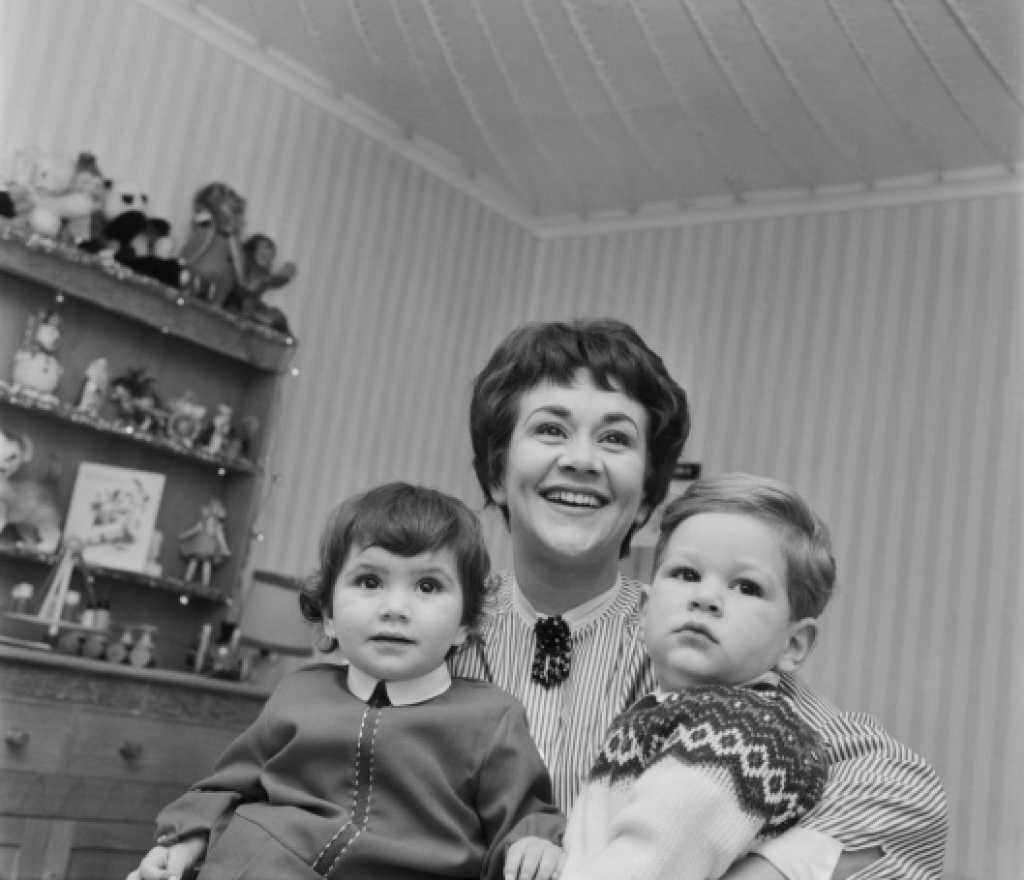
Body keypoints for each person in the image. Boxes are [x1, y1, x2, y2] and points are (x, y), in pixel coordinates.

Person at [452, 318, 946, 880]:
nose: (583, 460)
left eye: (615, 438)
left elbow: (905, 794)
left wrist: (768, 869)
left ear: (644, 497)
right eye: (551, 430)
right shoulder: (430, 624)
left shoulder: (694, 634)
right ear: (496, 473)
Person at [128, 482, 563, 880]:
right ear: (329, 615)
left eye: (428, 586)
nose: (395, 607)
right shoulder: (297, 693)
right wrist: (186, 843)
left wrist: (535, 842)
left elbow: (525, 817)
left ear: (468, 623)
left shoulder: (492, 719)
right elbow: (227, 787)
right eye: (369, 581)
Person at [530, 473, 836, 880]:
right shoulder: (667, 713)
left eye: (746, 586)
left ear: (793, 644)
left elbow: (649, 864)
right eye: (687, 574)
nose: (705, 598)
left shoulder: (742, 732)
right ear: (644, 611)